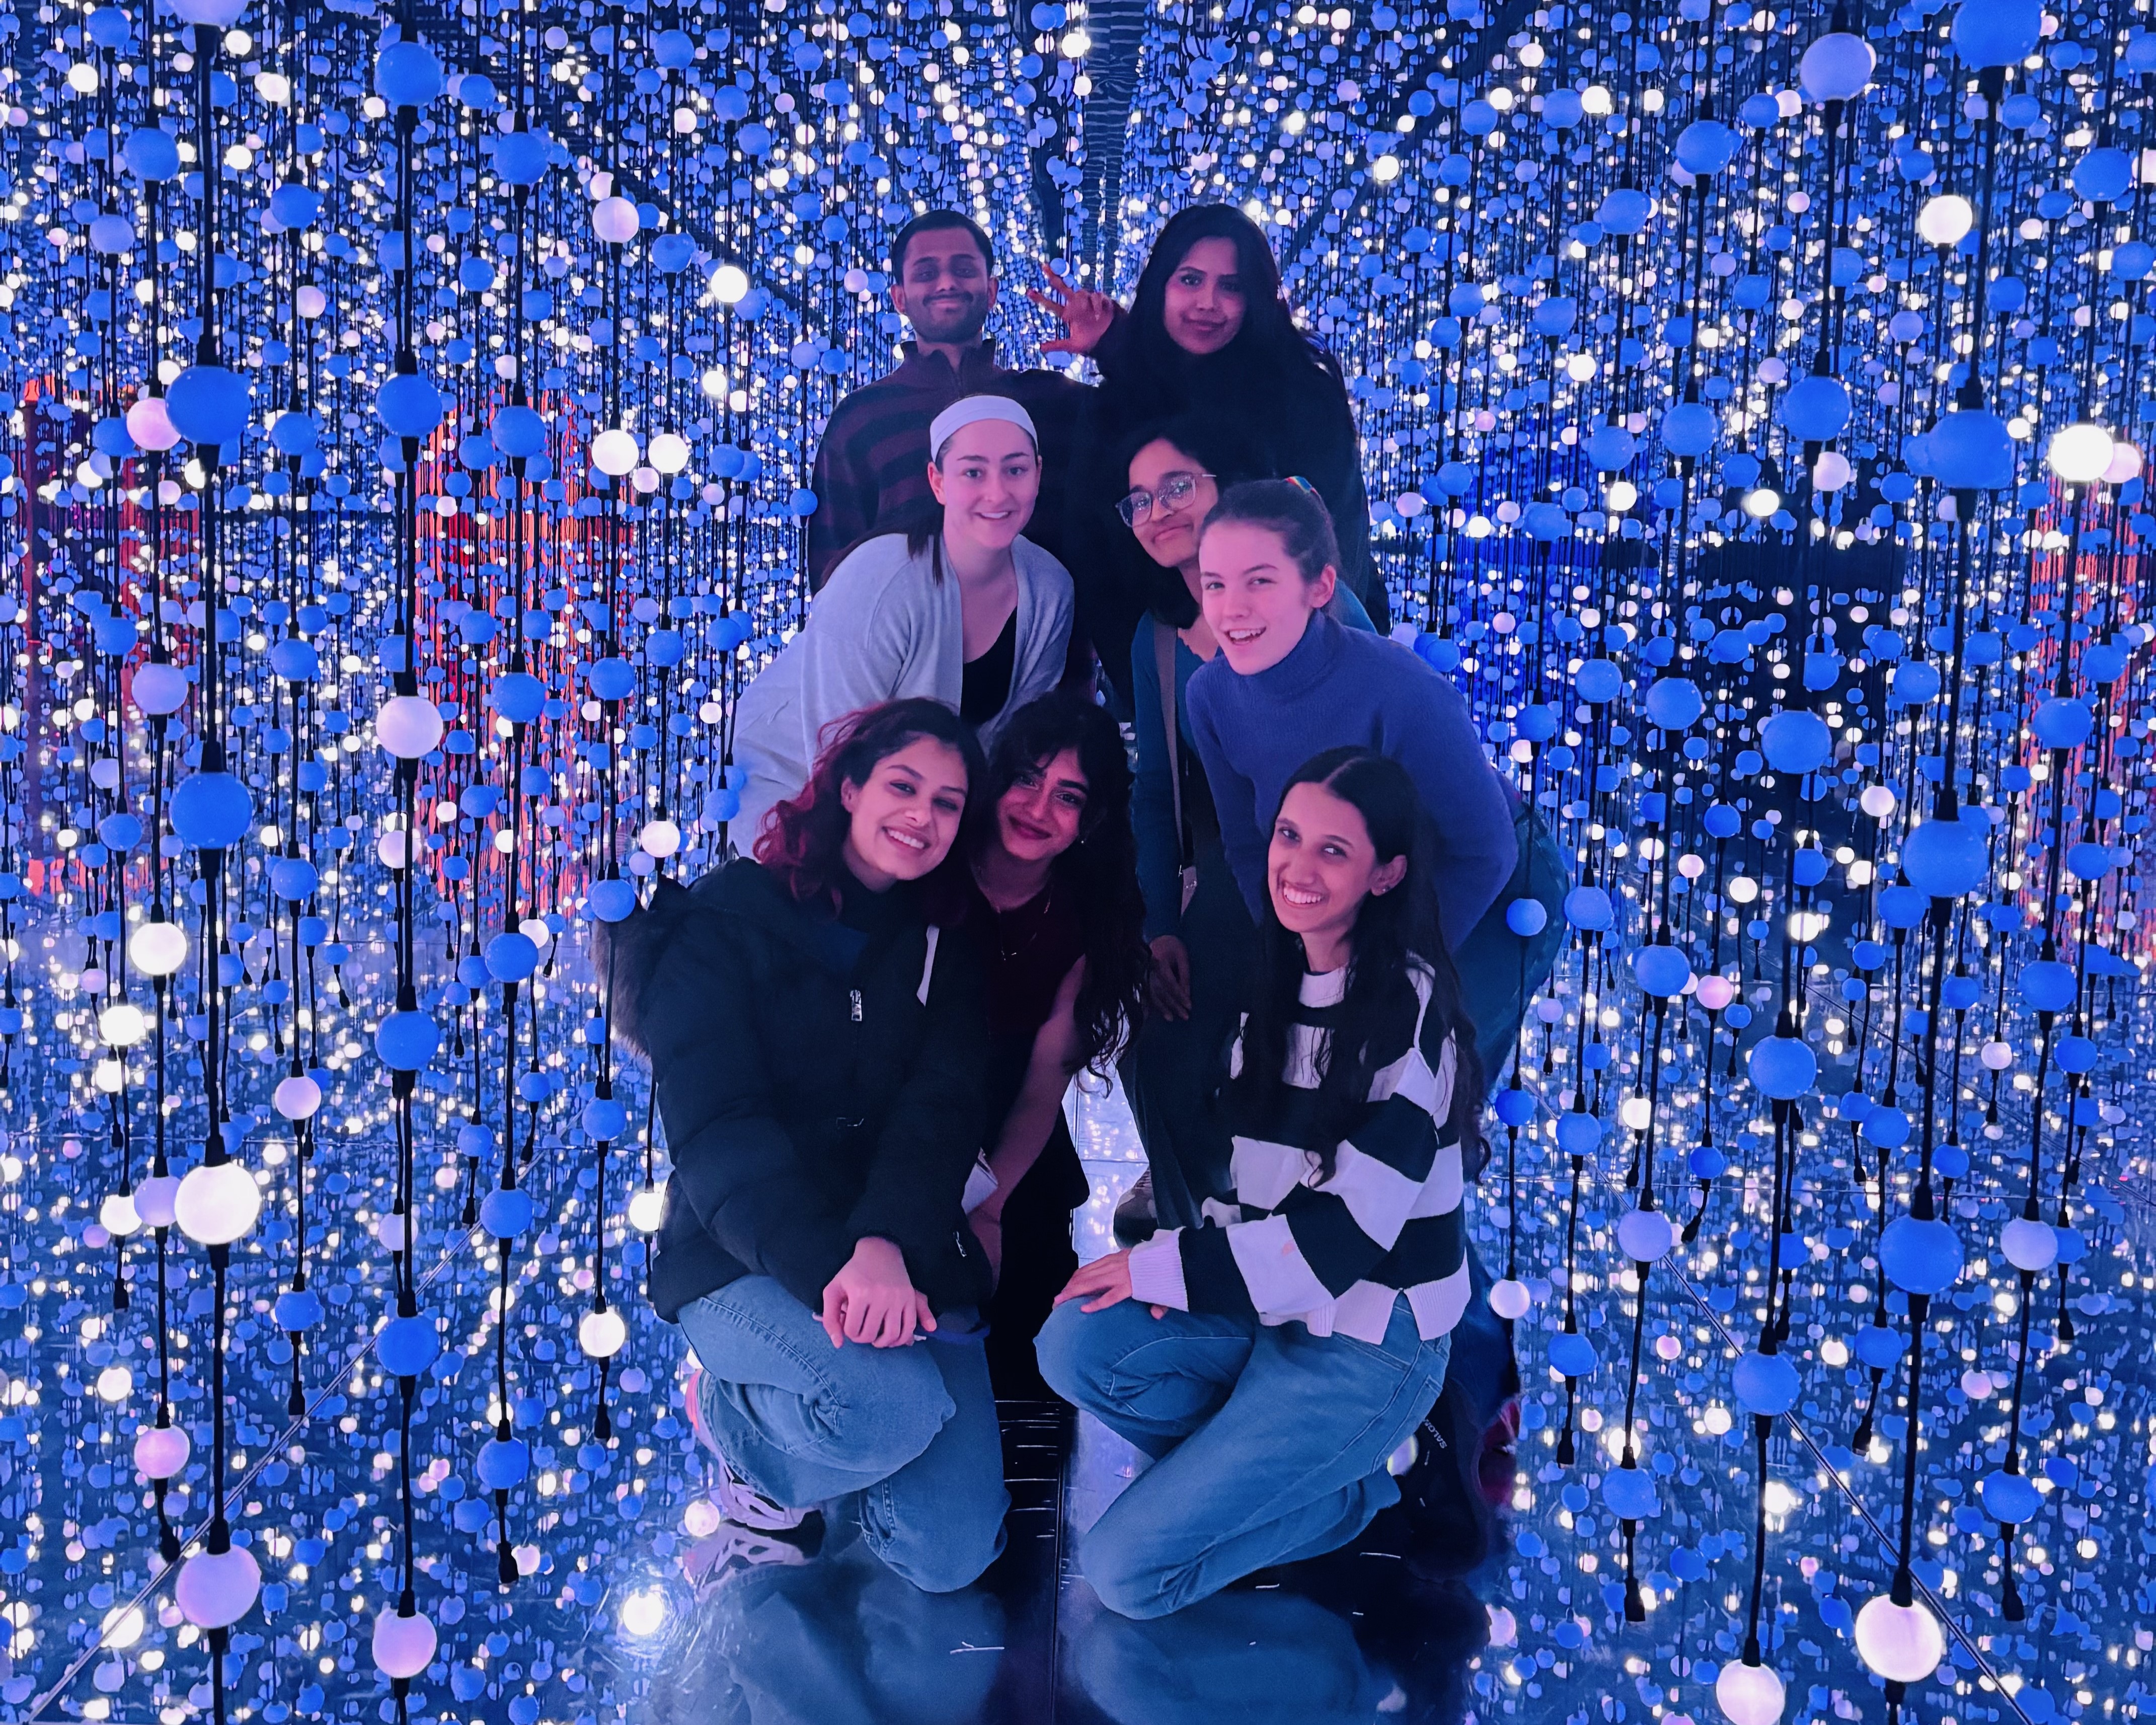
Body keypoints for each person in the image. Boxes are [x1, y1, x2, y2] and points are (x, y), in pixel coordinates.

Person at [1036, 750, 1483, 1620]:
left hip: (1369, 1340)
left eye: (1333, 851)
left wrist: (1164, 1267)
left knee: (1125, 1574)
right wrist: (1177, 1265)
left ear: (1385, 874)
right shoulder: (1275, 979)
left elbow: (1336, 1244)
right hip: (1278, 1310)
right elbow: (1255, 1185)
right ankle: (1274, 1475)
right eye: (1288, 836)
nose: (1296, 867)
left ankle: (1346, 1495)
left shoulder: (1404, 1008)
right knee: (1073, 1343)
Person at [603, 699, 1008, 1594]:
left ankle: (834, 1439)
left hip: (895, 1249)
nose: (922, 816)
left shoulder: (943, 939)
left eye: (947, 803)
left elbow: (940, 1109)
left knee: (950, 1555)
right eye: (904, 786)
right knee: (888, 1407)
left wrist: (883, 1245)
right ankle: (738, 1425)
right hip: (741, 1250)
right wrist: (833, 1264)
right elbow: (718, 1131)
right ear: (850, 786)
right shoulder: (721, 923)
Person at [1183, 480, 1567, 1078]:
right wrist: (1301, 962)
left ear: (1320, 587)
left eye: (1259, 580)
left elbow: (1483, 850)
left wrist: (1388, 969)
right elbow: (1247, 844)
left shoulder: (1399, 688)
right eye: (1215, 584)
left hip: (1494, 885)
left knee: (1422, 1094)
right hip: (1365, 885)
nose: (1231, 608)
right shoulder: (1209, 696)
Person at [1114, 419, 1371, 1239]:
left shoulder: (1307, 596)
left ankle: (1339, 1266)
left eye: (1178, 486)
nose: (1157, 510)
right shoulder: (1155, 643)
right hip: (1243, 868)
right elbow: (1154, 792)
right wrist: (1158, 926)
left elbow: (1383, 747)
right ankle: (1204, 1243)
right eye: (1139, 499)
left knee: (1351, 1082)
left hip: (1353, 869)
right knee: (1162, 1055)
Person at [1033, 203, 1382, 694]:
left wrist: (1320, 658)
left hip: (1307, 660)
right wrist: (1143, 688)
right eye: (1190, 280)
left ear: (1256, 296)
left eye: (1232, 286)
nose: (1208, 303)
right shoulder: (1121, 403)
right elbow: (1096, 552)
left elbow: (1339, 533)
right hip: (1172, 667)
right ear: (1160, 286)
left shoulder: (1300, 393)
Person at [732, 395, 1074, 843]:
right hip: (795, 789)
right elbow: (836, 750)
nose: (998, 492)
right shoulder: (880, 577)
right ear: (938, 481)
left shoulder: (1050, 588)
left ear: (1038, 475)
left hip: (921, 815)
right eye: (973, 472)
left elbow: (1012, 742)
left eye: (1015, 470)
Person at [960, 691, 1150, 1398]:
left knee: (1028, 1325)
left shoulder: (1081, 919)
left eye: (1067, 795)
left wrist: (988, 1203)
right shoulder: (938, 871)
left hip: (1010, 1119)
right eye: (1026, 778)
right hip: (904, 1103)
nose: (1038, 807)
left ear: (1089, 821)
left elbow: (1043, 1083)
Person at [806, 209, 1086, 589]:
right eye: (926, 273)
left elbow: (1156, 423)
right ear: (900, 298)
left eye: (964, 269)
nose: (947, 283)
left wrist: (1112, 345)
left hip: (1046, 645)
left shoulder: (1054, 401)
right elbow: (832, 568)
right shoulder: (861, 419)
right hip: (902, 648)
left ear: (991, 291)